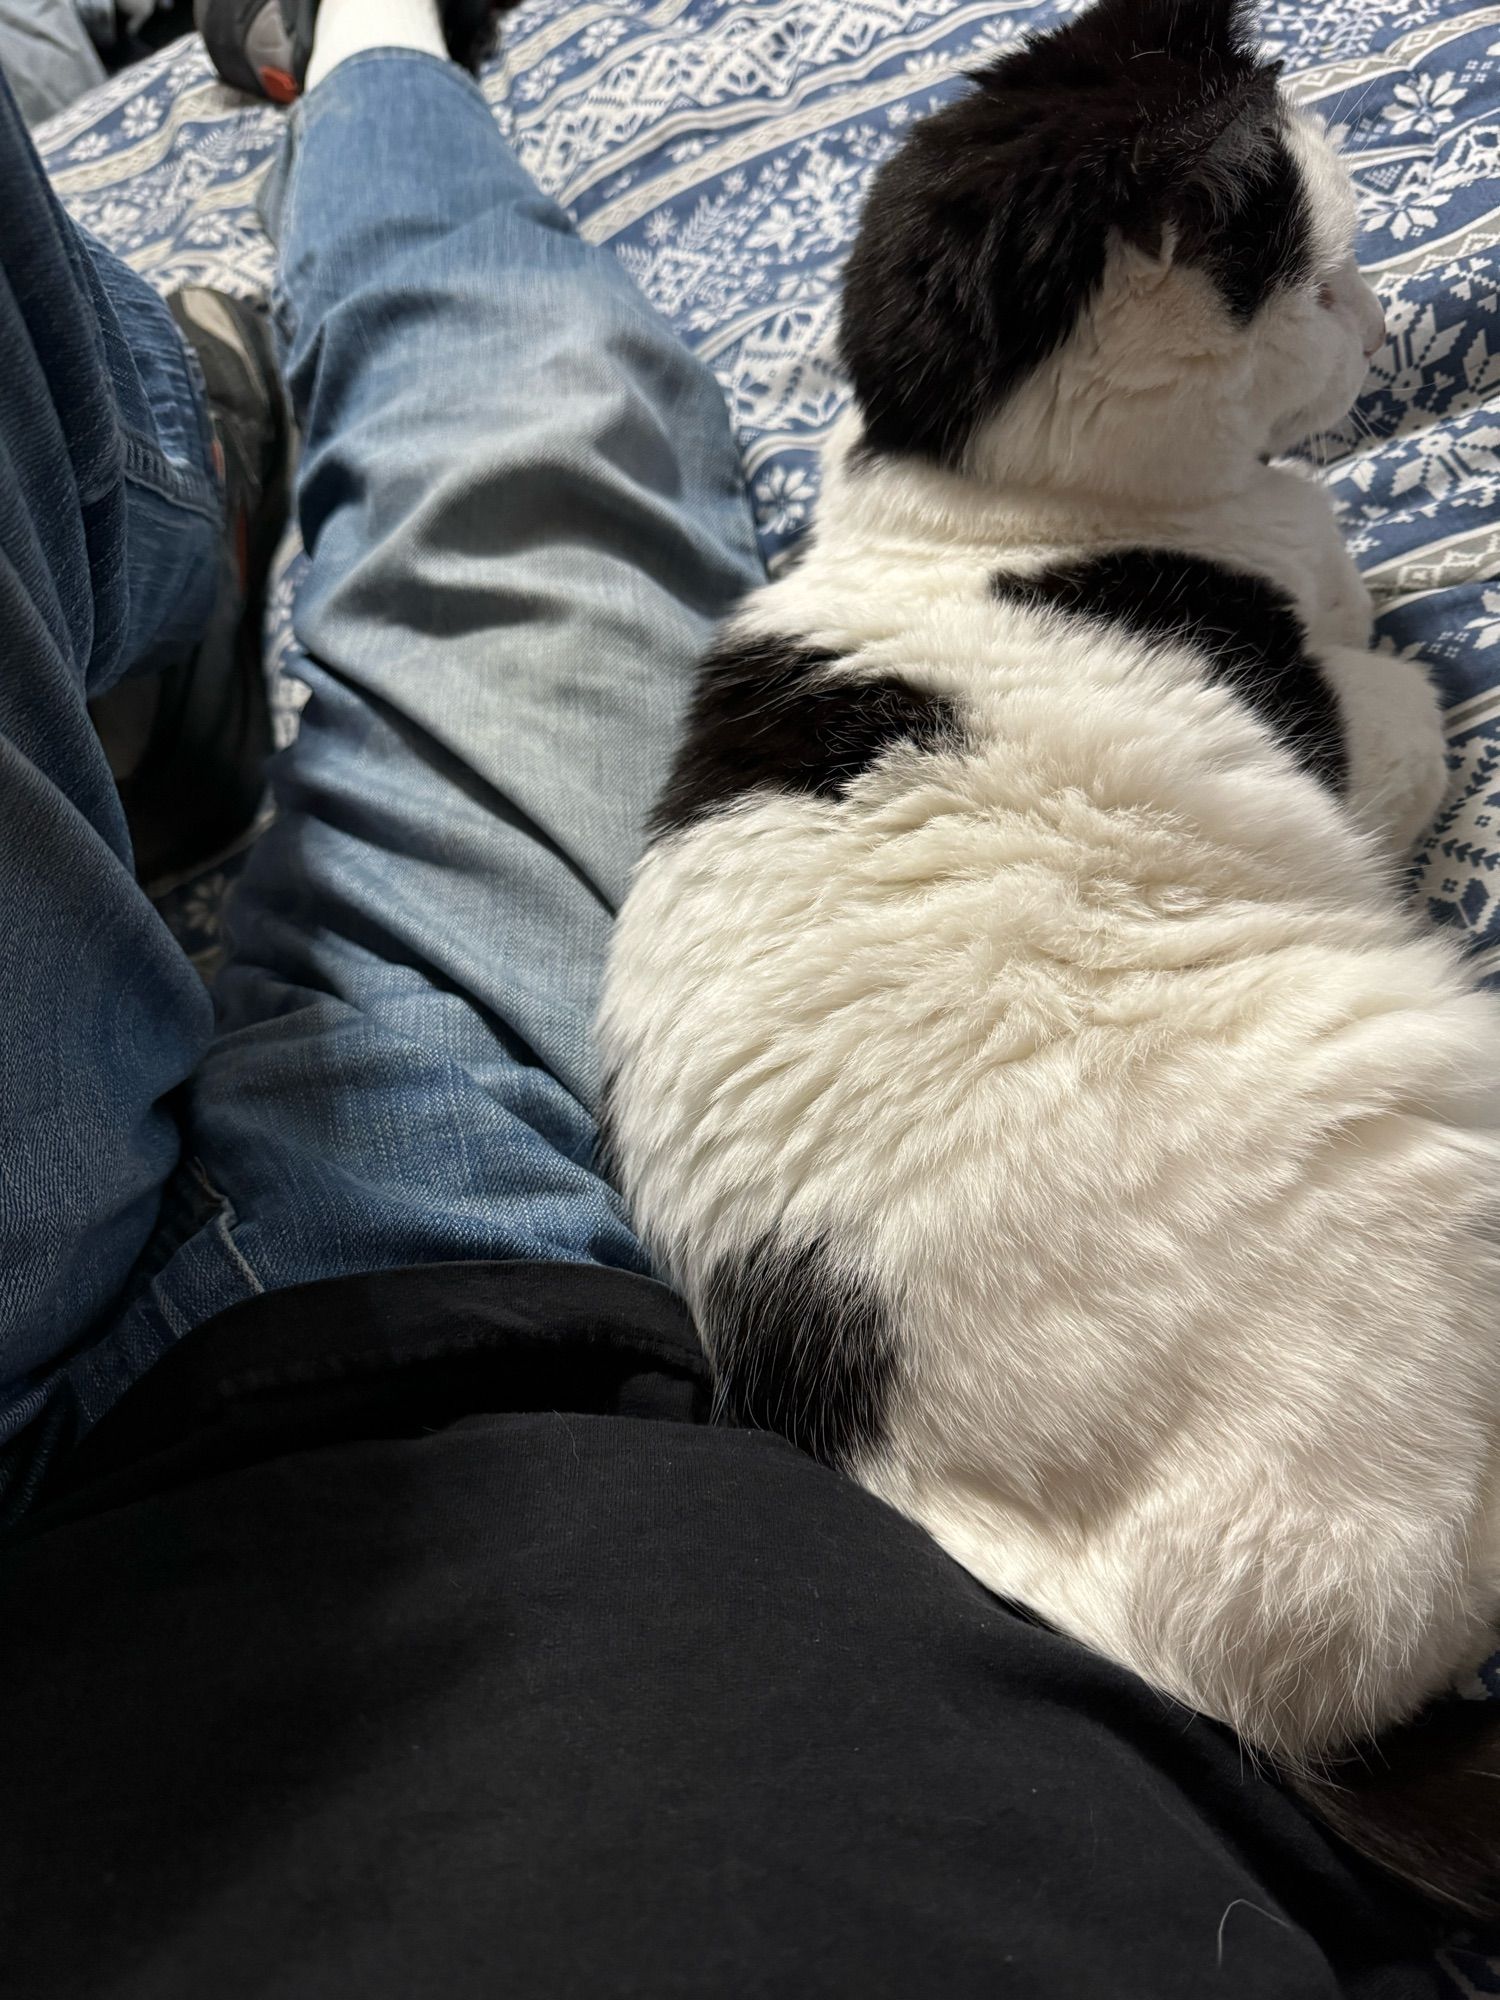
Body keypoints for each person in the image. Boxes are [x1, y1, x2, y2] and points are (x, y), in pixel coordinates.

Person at [0, 2, 1466, 1991]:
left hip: (266, 1392)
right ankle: (258, 276)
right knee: (531, 437)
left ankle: (190, 411)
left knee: (518, 424)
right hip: (483, 1351)